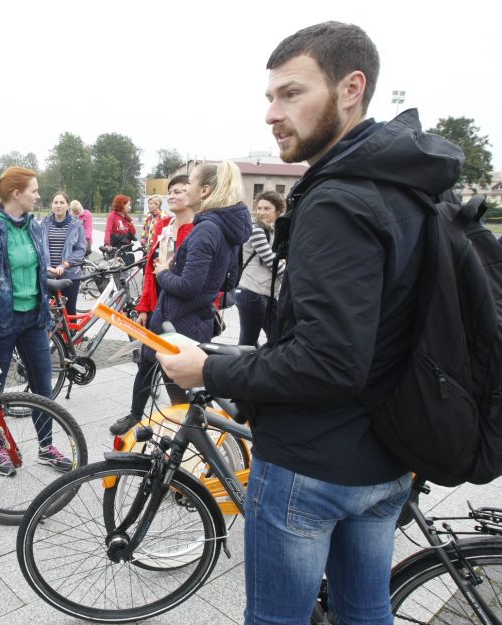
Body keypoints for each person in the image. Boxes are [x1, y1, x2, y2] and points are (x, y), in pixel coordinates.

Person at [156, 22, 463, 625]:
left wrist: (210, 367)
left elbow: (327, 359)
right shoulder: (407, 185)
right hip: (388, 456)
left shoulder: (337, 199)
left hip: (312, 466)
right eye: (270, 96)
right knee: (365, 611)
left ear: (352, 89)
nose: (272, 112)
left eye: (291, 93)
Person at [110, 162, 251, 435]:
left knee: (180, 399)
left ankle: (186, 454)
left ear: (206, 190)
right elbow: (229, 280)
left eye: (190, 186)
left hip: (180, 322)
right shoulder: (224, 227)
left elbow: (187, 285)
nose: (185, 192)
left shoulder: (206, 229)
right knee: (172, 387)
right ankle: (182, 443)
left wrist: (164, 272)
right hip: (192, 317)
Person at [0, 166, 72, 475]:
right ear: (16, 194)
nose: (38, 195)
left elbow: (40, 271)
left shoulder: (34, 227)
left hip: (34, 321)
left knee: (42, 384)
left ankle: (46, 447)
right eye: (34, 190)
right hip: (0, 323)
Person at [133, 176, 196, 328]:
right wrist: (144, 308)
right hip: (158, 306)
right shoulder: (164, 226)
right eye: (170, 192)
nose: (171, 196)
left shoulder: (199, 230)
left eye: (177, 192)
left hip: (185, 311)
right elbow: (150, 272)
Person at [235, 190, 286, 346]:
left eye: (267, 208)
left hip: (268, 293)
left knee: (278, 336)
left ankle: (257, 365)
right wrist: (288, 268)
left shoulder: (276, 231)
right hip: (251, 292)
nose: (261, 212)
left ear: (278, 210)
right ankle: (241, 368)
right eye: (259, 208)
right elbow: (272, 261)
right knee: (248, 341)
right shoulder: (256, 229)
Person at [42, 191, 87, 314]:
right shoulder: (45, 223)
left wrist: (64, 264)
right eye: (55, 202)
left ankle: (71, 333)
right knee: (49, 313)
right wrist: (46, 266)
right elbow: (38, 247)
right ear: (52, 205)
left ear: (68, 205)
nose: (58, 205)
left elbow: (81, 249)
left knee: (69, 311)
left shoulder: (76, 224)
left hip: (70, 274)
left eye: (62, 202)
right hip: (49, 275)